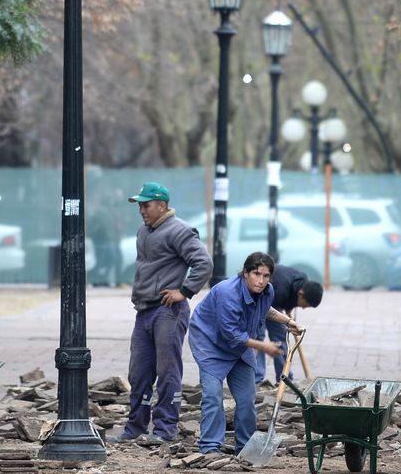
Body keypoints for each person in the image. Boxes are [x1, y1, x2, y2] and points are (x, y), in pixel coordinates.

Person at [121, 182, 212, 446]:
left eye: (146, 205)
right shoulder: (143, 231)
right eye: (139, 205)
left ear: (162, 205)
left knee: (167, 371)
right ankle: (135, 428)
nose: (141, 210)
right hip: (144, 311)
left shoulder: (180, 230)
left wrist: (184, 291)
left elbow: (204, 263)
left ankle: (164, 429)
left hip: (168, 312)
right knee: (139, 373)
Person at [188, 252, 303, 455]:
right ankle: (210, 447)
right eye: (256, 274)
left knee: (247, 399)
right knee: (213, 396)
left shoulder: (267, 291)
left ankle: (245, 448)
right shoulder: (227, 293)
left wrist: (288, 322)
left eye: (266, 276)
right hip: (210, 343)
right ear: (245, 273)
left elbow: (266, 310)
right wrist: (264, 347)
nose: (261, 281)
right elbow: (232, 335)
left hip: (240, 345)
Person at [252, 265, 324, 384]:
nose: (303, 308)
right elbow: (268, 310)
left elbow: (290, 300)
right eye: (305, 305)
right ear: (301, 294)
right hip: (259, 305)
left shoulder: (302, 282)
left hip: (276, 304)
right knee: (258, 338)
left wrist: (290, 313)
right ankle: (256, 379)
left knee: (281, 337)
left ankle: (284, 378)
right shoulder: (281, 290)